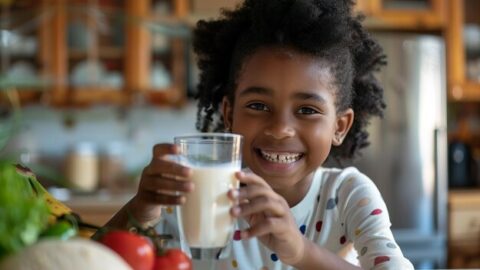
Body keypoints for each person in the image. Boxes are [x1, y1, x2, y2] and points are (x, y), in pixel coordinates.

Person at [100, 0, 414, 269]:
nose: (280, 129)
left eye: (307, 110)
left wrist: (302, 251)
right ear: (229, 115)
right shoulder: (197, 194)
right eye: (258, 105)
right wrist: (141, 209)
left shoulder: (348, 195)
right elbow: (81, 260)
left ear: (339, 126)